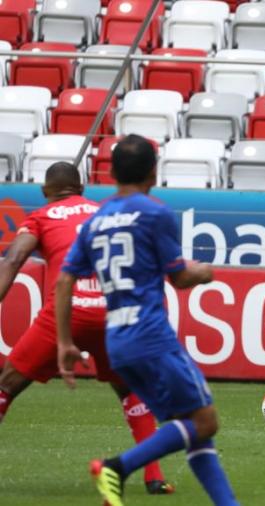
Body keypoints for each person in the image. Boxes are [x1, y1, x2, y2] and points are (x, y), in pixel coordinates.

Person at [55, 135, 238, 506]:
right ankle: (117, 467)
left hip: (118, 342)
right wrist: (204, 272)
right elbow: (180, 277)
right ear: (154, 172)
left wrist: (64, 342)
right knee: (205, 421)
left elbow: (63, 280)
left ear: (110, 173)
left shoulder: (96, 221)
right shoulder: (154, 213)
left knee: (194, 426)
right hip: (151, 336)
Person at [0, 161, 173, 495]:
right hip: (113, 311)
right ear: (81, 188)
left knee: (6, 385)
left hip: (67, 312)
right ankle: (154, 477)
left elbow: (13, 260)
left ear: (45, 192)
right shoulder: (105, 213)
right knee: (131, 391)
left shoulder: (41, 216)